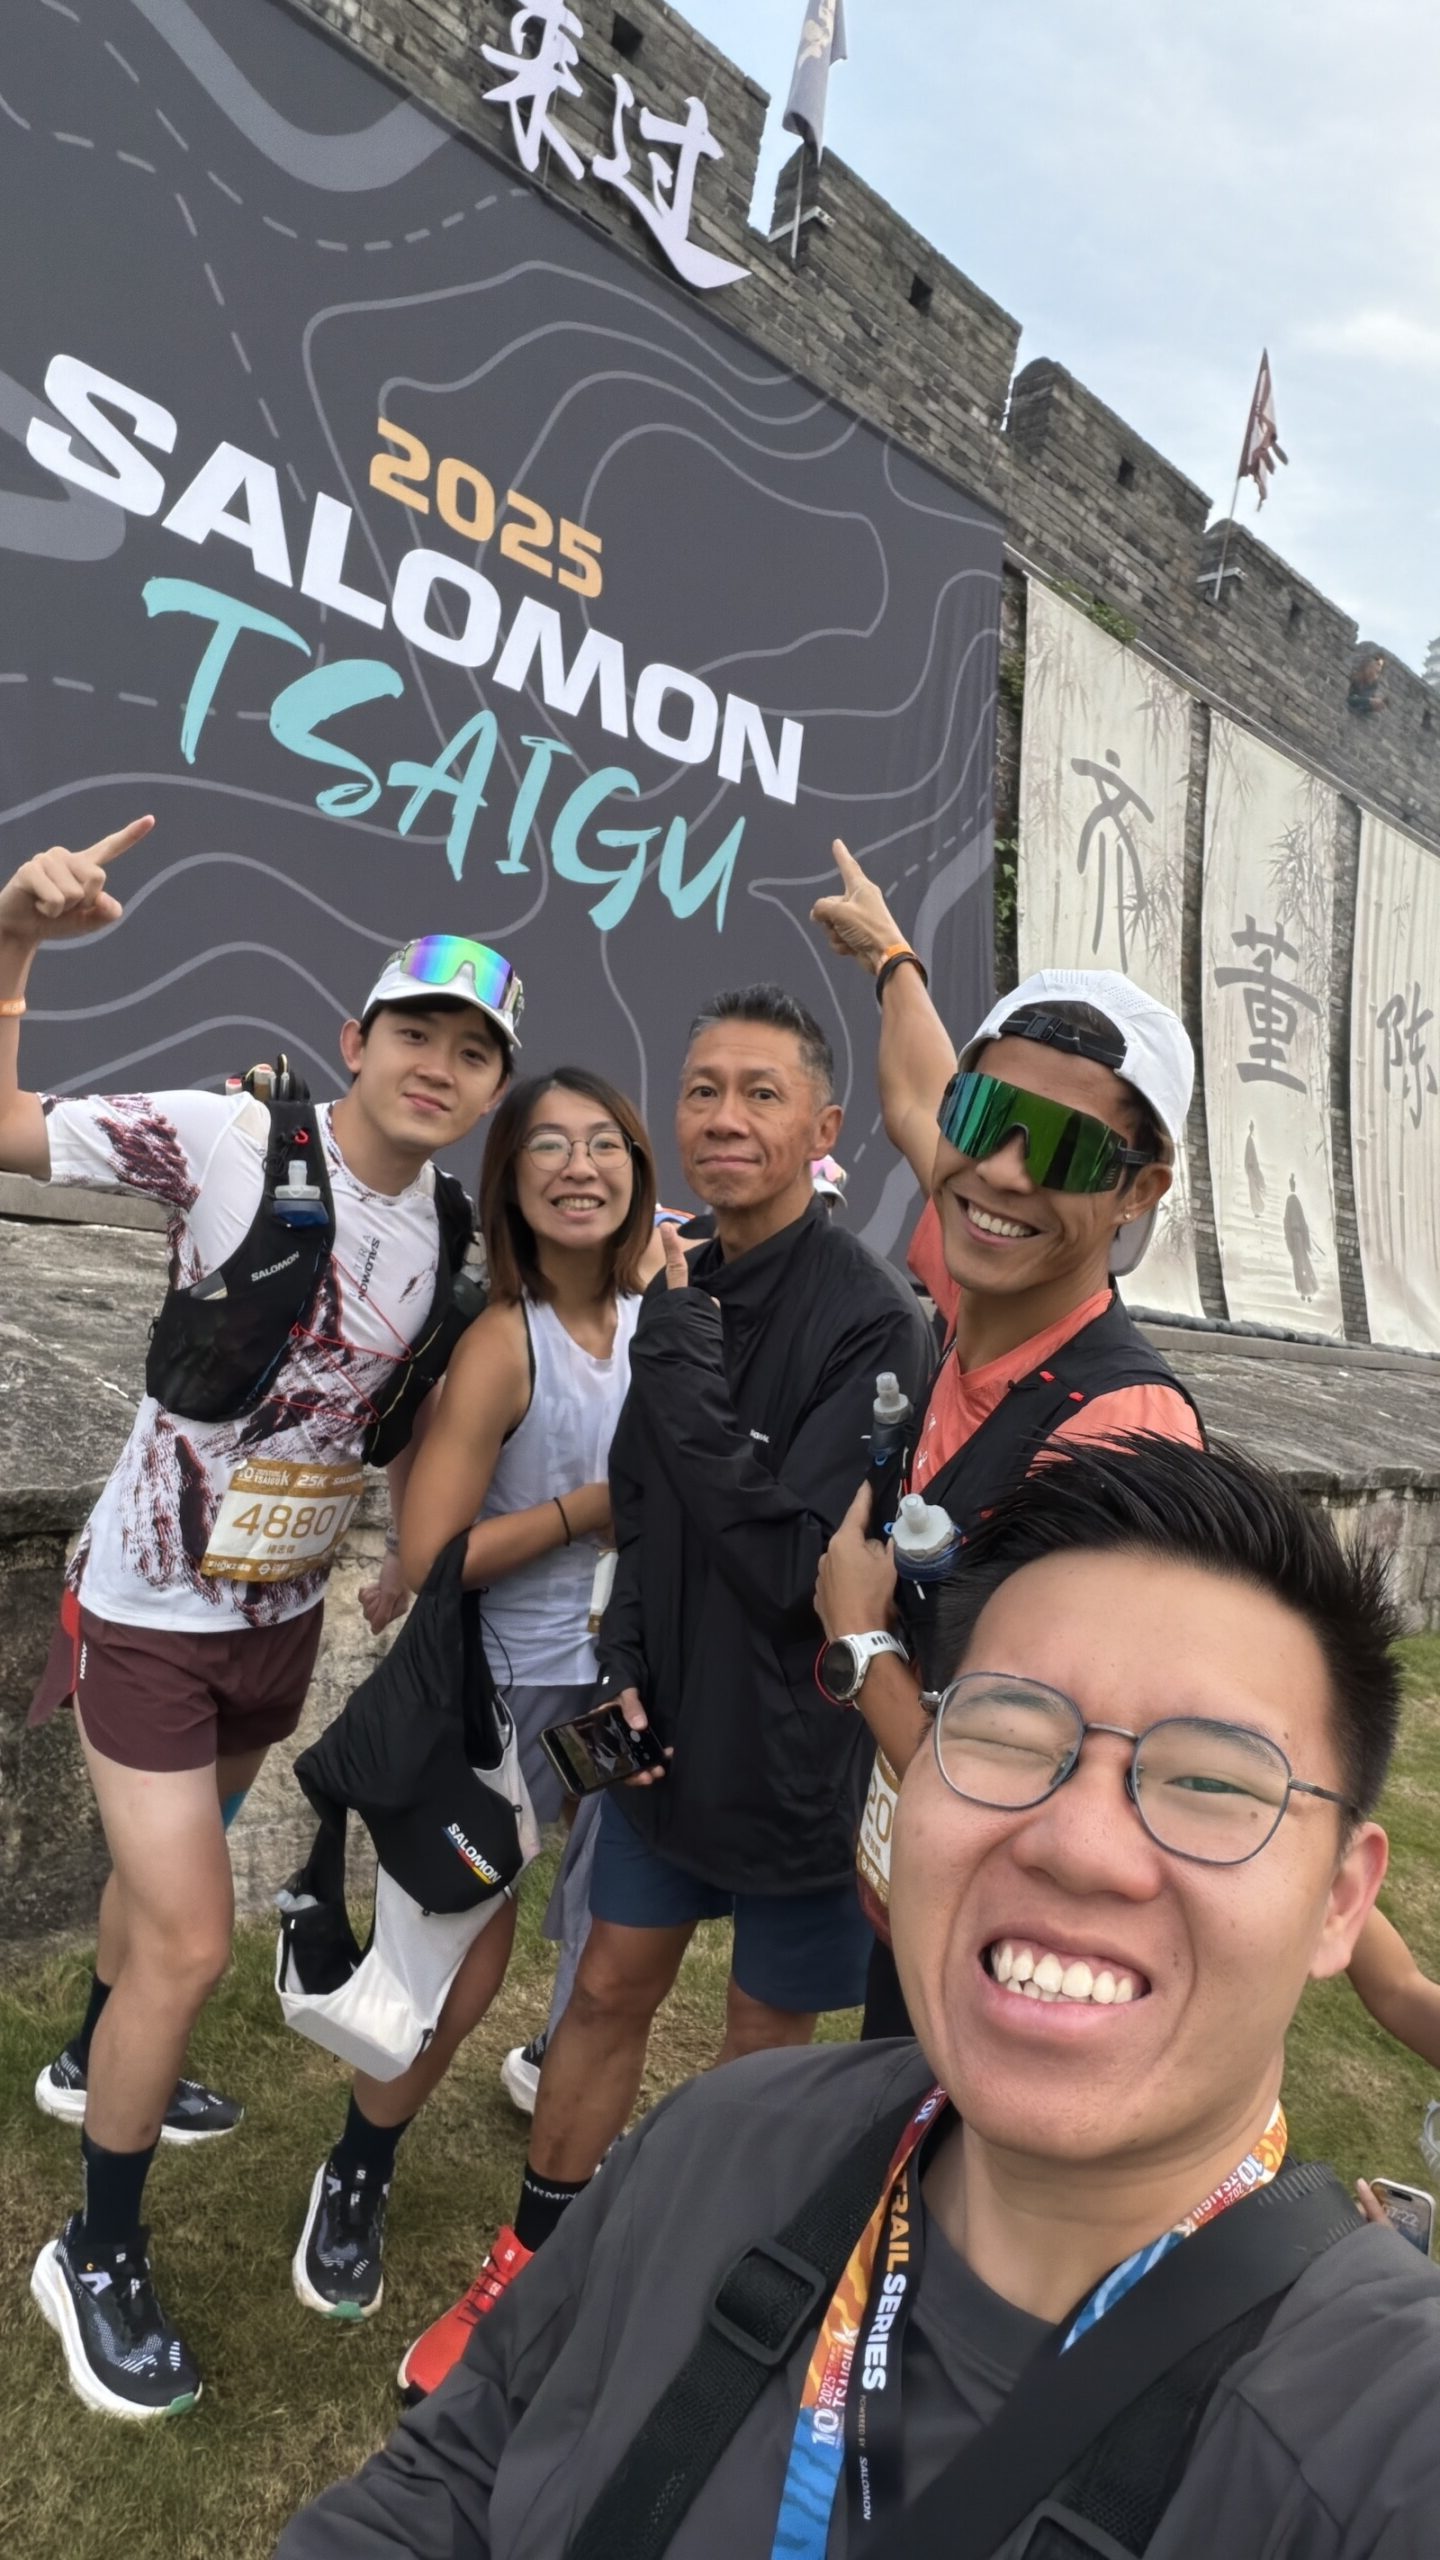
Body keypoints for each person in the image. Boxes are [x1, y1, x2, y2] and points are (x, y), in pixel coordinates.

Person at [278, 1432, 1440, 2559]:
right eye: (1007, 1731)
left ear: (1342, 1899)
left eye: (1209, 1782)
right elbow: (452, 2480)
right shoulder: (714, 2145)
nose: (1078, 1845)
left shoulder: (1385, 2444)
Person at [0, 816, 521, 2419]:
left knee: (159, 1903)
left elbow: (410, 1408)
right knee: (192, 1935)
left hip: (276, 1624)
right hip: (147, 1612)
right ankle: (92, 2253)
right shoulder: (231, 1139)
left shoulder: (453, 1232)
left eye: (474, 1051)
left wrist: (403, 1564)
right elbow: (4, 1129)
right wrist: (13, 943)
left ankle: (90, 2058)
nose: (439, 1066)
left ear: (491, 1090)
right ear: (356, 1040)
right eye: (417, 1032)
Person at [396, 982, 934, 2397]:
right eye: (702, 1090)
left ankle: (710, 2290)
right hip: (656, 1741)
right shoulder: (683, 1279)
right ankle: (527, 2264)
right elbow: (646, 1507)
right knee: (603, 1991)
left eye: (761, 1092)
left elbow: (786, 1561)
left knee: (763, 2049)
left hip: (803, 1766)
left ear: (825, 1126)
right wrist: (625, 1672)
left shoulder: (873, 1321)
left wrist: (674, 1340)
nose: (724, 1117)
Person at [808, 840, 1203, 2036]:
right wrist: (894, 959)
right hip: (911, 1892)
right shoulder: (984, 1267)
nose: (1006, 1173)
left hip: (1005, 1951)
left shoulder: (1120, 1430)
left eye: (1071, 1149)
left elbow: (1036, 1789)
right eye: (990, 1117)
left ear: (1138, 1191)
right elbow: (917, 1091)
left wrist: (859, 1639)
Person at [291, 1066, 661, 2320]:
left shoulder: (661, 1322)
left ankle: (562, 2102)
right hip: (504, 1700)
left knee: (613, 1941)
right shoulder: (509, 1341)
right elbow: (434, 1554)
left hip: (622, 1695)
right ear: (509, 1181)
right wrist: (588, 1510)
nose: (579, 1166)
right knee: (455, 1956)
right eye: (547, 1145)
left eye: (603, 1142)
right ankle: (357, 2165)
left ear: (637, 1170)